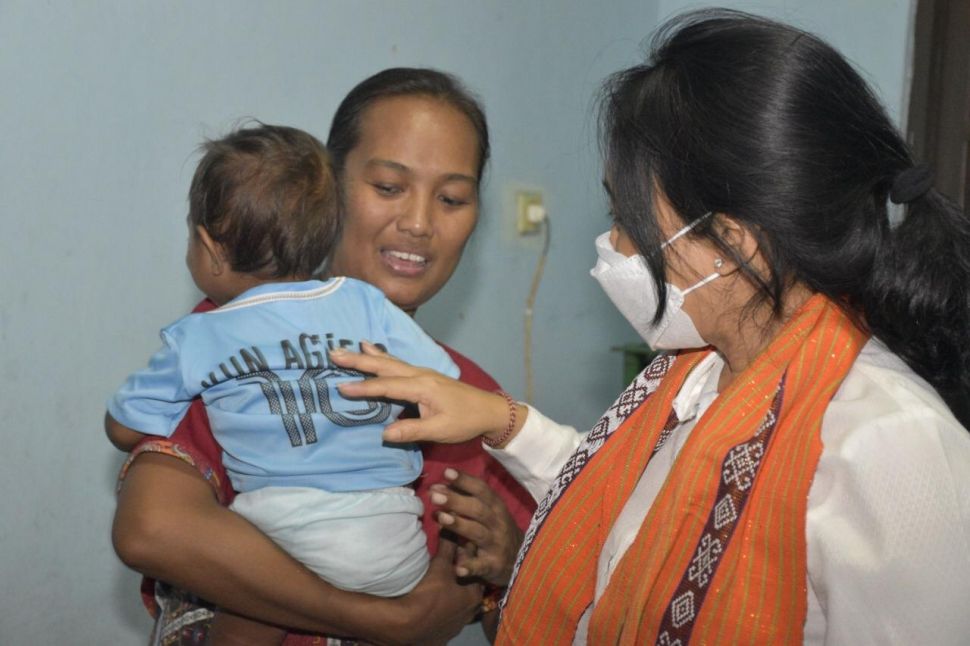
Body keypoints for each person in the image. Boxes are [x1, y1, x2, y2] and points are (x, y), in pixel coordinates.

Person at [331, 10, 970, 645]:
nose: (612, 245)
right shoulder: (701, 372)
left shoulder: (890, 443)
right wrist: (503, 420)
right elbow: (633, 513)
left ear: (732, 244)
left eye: (627, 217)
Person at [111, 69, 536, 645]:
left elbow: (516, 628)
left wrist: (511, 567)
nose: (418, 223)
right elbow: (151, 527)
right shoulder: (236, 346)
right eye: (388, 186)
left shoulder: (475, 402)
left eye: (452, 198)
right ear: (327, 191)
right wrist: (393, 621)